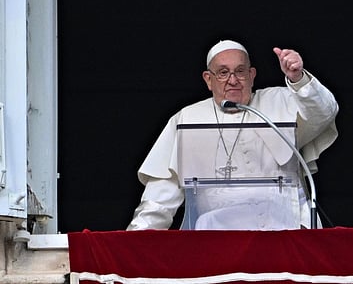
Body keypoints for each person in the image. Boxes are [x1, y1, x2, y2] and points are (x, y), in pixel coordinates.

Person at [127, 39, 339, 230]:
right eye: (223, 72)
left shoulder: (279, 101)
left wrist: (298, 79)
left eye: (240, 71)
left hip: (286, 227)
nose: (233, 80)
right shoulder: (187, 118)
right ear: (208, 79)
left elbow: (324, 113)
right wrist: (138, 239)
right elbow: (163, 191)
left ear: (252, 75)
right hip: (218, 235)